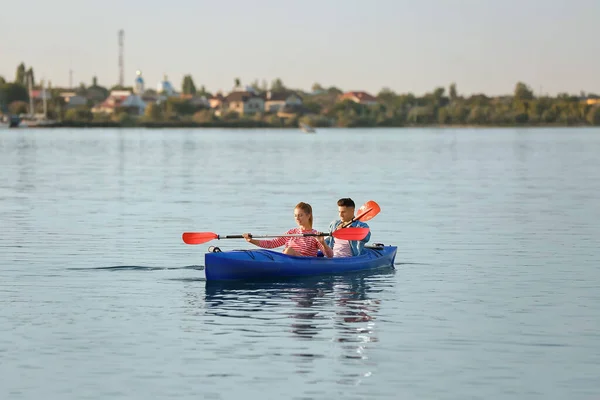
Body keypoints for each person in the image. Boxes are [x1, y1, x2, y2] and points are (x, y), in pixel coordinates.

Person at [243, 202, 333, 258]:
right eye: (295, 215)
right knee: (287, 250)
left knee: (289, 250)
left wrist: (323, 243)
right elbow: (272, 243)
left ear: (308, 216)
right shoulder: (291, 233)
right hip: (288, 260)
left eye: (300, 215)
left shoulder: (314, 235)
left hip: (304, 263)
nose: (297, 218)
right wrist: (251, 241)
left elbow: (330, 256)